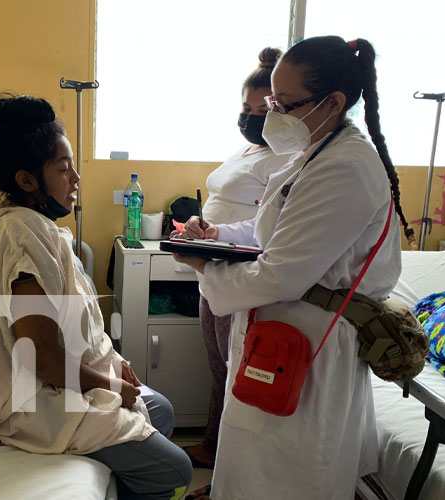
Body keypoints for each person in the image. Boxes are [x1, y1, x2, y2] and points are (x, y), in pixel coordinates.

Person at [175, 36, 415, 499]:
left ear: (334, 102)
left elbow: (282, 272)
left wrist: (207, 270)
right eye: (272, 102)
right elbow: (272, 233)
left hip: (312, 348)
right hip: (279, 336)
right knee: (253, 456)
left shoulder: (346, 167)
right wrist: (218, 237)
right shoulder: (311, 155)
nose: (272, 115)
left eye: (284, 103)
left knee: (289, 470)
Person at [0, 94, 192, 500]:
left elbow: (77, 325)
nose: (76, 180)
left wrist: (115, 362)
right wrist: (112, 386)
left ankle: (122, 469)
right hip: (33, 402)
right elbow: (40, 356)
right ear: (27, 181)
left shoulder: (43, 230)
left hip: (61, 380)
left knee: (163, 410)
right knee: (177, 470)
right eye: (64, 170)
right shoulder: (20, 235)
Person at [180, 46, 291, 471]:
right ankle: (213, 442)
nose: (248, 116)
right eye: (244, 107)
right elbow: (226, 201)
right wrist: (203, 228)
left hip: (240, 271)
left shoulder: (285, 159)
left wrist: (217, 237)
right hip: (213, 264)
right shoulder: (247, 152)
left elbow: (265, 226)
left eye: (257, 109)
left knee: (234, 365)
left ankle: (226, 454)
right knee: (217, 362)